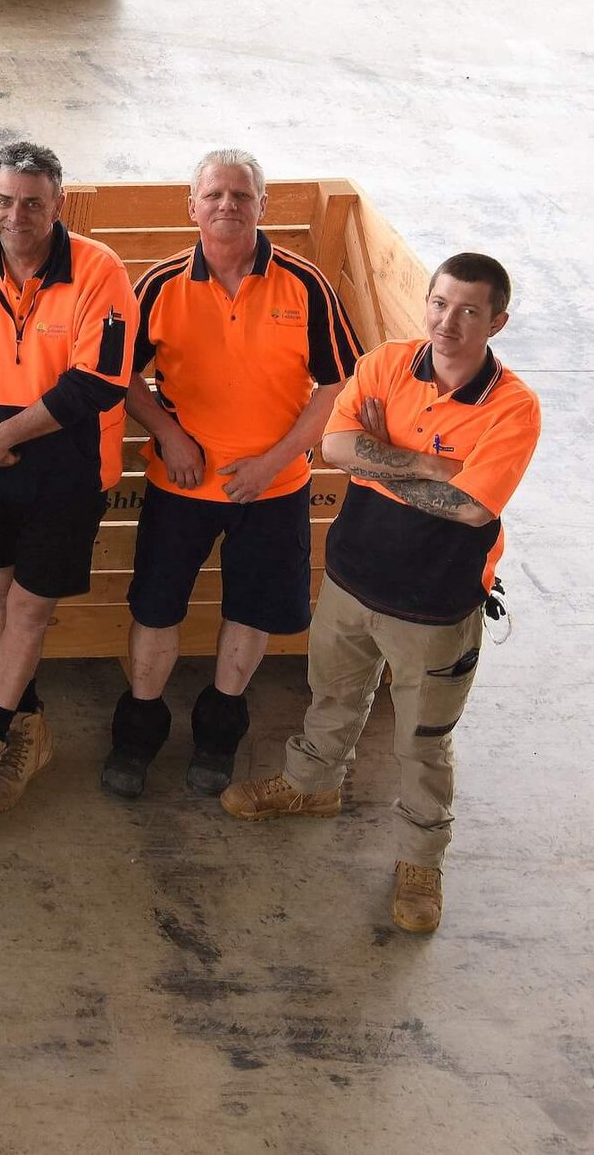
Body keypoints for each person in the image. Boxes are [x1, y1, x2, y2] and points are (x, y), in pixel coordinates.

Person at [224, 254, 540, 935]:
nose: (448, 322)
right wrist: (426, 463)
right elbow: (336, 445)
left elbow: (472, 510)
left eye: (469, 310)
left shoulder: (514, 407)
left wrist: (377, 450)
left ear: (498, 321)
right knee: (333, 695)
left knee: (423, 740)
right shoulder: (388, 362)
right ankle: (310, 787)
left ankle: (421, 858)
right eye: (440, 302)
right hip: (352, 577)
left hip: (435, 604)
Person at [104, 151, 360, 799]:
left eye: (241, 194)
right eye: (213, 193)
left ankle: (219, 732)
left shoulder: (305, 285)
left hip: (274, 490)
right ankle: (138, 731)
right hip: (178, 483)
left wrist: (276, 460)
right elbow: (118, 373)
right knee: (157, 608)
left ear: (262, 206)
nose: (227, 204)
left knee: (250, 610)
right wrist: (167, 432)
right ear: (191, 206)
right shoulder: (160, 285)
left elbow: (338, 382)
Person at [0, 142, 139, 836]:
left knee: (31, 608)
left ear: (58, 205)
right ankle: (27, 727)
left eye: (33, 202)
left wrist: (3, 434)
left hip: (65, 470)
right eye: (5, 201)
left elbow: (96, 382)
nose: (17, 215)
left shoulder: (100, 272)